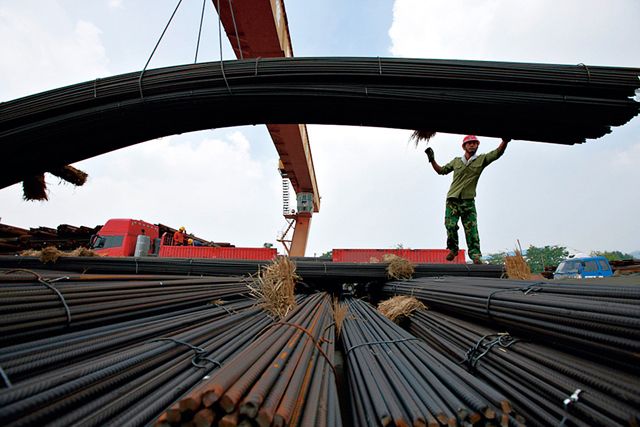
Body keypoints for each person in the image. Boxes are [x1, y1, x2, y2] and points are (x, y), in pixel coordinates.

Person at [425, 135, 510, 264]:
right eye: (469, 143)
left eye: (474, 143)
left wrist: (505, 141)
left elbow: (497, 153)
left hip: (468, 201)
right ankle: (453, 249)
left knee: (472, 229)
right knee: (450, 225)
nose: (472, 145)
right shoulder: (457, 161)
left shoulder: (482, 159)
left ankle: (475, 255)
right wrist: (432, 160)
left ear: (477, 145)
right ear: (464, 146)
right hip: (453, 199)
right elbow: (441, 171)